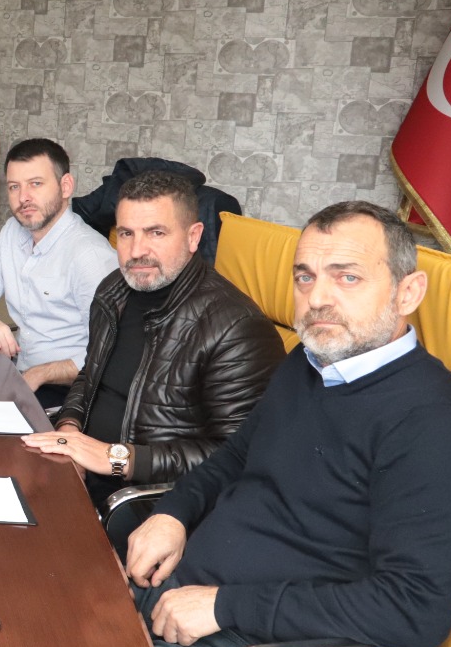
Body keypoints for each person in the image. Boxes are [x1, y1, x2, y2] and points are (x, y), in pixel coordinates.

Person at [125, 201, 451, 647]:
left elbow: (412, 610)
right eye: (305, 276)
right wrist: (174, 512)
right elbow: (236, 458)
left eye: (347, 277)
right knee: (29, 631)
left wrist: (223, 605)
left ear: (408, 292)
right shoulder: (312, 363)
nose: (316, 298)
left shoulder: (437, 424)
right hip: (183, 595)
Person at [20, 170, 284, 514]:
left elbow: (238, 455)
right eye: (126, 233)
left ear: (193, 236)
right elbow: (90, 377)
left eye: (156, 233)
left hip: (147, 502)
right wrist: (68, 434)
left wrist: (118, 458)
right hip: (78, 474)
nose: (137, 251)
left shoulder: (236, 327)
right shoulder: (113, 291)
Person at [0, 138, 118, 409]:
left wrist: (42, 373)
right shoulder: (13, 232)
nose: (23, 197)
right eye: (14, 187)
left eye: (35, 184)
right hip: (20, 373)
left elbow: (112, 353)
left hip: (72, 393)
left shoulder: (90, 256)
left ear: (65, 186)